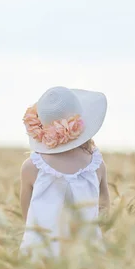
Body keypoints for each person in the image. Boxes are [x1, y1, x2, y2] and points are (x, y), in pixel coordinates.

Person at [19, 86, 110, 258]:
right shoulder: (96, 165)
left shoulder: (31, 168)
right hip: (86, 252)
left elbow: (27, 215)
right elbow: (104, 208)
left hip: (41, 253)